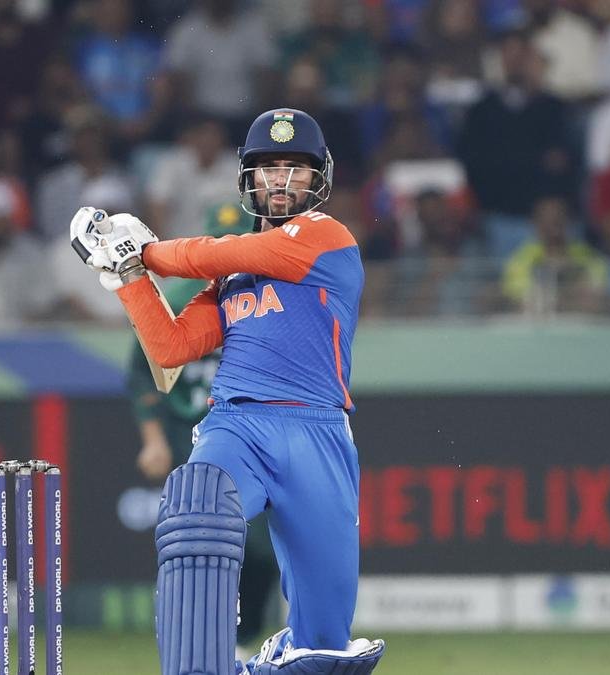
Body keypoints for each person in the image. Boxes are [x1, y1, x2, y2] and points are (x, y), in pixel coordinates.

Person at [71, 108, 384, 674]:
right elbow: (170, 347)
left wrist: (147, 253)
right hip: (236, 425)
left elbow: (222, 252)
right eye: (269, 168)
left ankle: (271, 664)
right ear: (250, 177)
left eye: (295, 168)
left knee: (325, 645)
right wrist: (129, 277)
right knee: (196, 512)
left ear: (319, 178)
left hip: (319, 432)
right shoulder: (232, 280)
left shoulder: (327, 237)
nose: (281, 180)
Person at [127, 202, 279, 664]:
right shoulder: (180, 298)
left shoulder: (268, 294)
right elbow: (142, 372)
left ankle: (245, 636)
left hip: (251, 432)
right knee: (195, 542)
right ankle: (194, 643)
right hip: (187, 434)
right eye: (220, 243)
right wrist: (153, 439)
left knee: (261, 547)